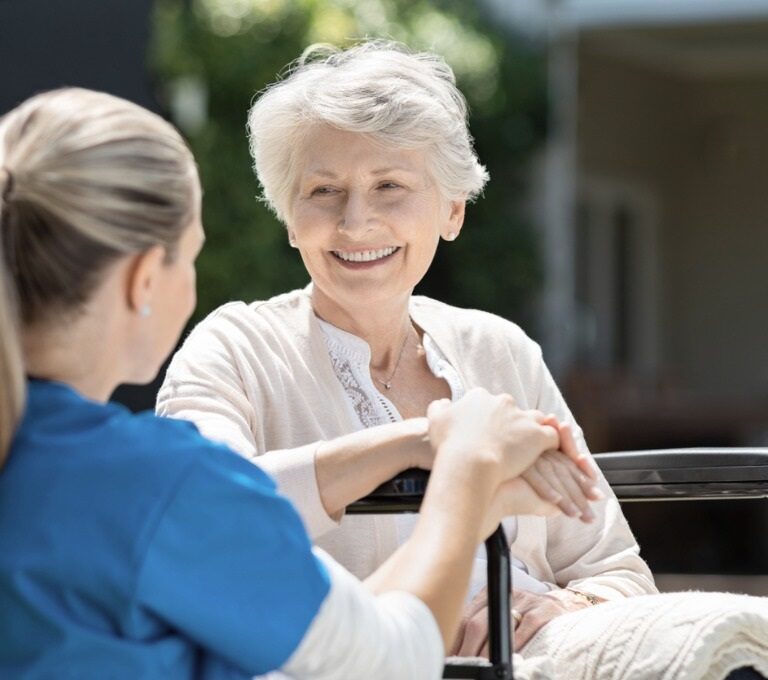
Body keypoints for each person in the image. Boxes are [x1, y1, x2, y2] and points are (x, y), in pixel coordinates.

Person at [0, 87, 595, 679]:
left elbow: (340, 655)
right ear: (142, 280)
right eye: (190, 256)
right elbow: (395, 661)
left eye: (388, 185)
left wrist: (426, 447)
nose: (356, 217)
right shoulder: (163, 483)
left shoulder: (63, 467)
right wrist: (466, 468)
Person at [156, 40, 657, 654]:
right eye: (323, 191)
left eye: (389, 185)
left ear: (452, 210)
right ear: (289, 218)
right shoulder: (233, 348)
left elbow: (617, 571)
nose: (355, 222)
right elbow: (204, 515)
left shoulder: (500, 351)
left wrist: (557, 606)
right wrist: (426, 443)